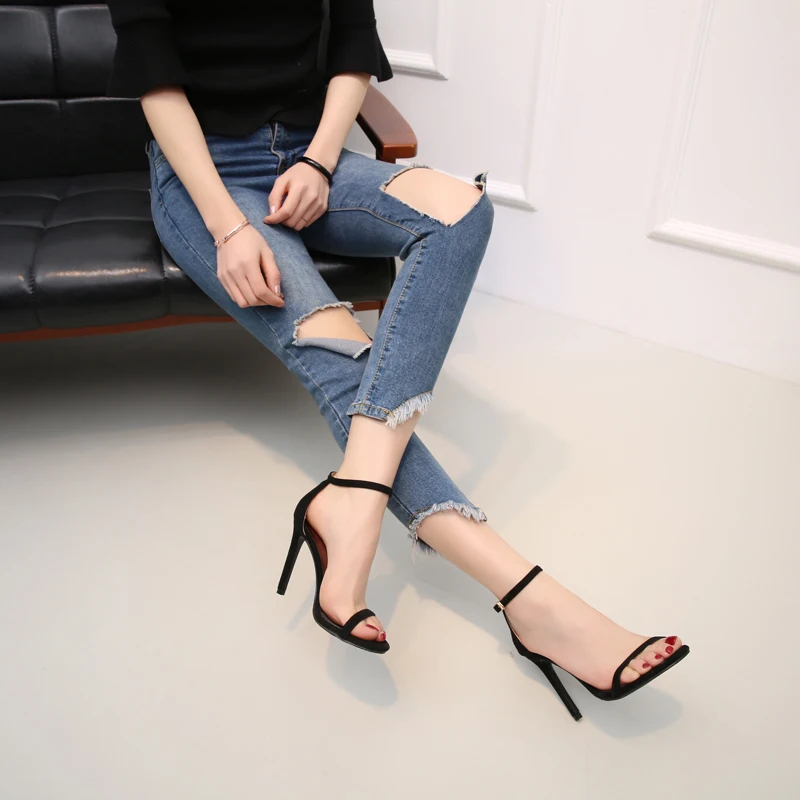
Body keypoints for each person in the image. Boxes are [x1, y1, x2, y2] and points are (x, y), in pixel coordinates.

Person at [107, 0, 688, 720]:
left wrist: (319, 160)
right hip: (206, 181)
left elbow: (353, 49)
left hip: (312, 160)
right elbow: (156, 84)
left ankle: (352, 498)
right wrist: (228, 228)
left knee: (462, 211)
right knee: (341, 354)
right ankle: (530, 597)